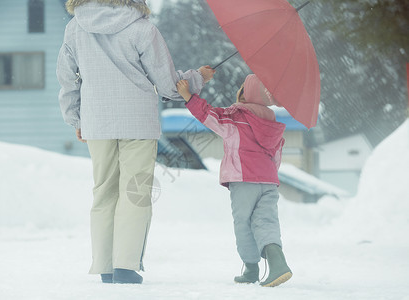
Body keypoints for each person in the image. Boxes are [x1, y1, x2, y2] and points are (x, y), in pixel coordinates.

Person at [56, 0, 215, 284]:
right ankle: (125, 267)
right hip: (137, 120)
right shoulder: (143, 29)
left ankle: (105, 266)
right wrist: (197, 78)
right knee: (135, 192)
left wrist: (76, 118)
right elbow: (168, 84)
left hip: (97, 120)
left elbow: (67, 78)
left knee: (104, 191)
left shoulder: (74, 28)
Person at [176, 74, 292, 287]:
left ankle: (251, 268)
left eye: (243, 88)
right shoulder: (272, 124)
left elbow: (209, 115)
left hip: (243, 178)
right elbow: (276, 157)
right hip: (269, 180)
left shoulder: (235, 117)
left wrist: (189, 97)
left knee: (244, 222)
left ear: (247, 95)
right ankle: (278, 263)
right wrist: (266, 175)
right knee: (266, 221)